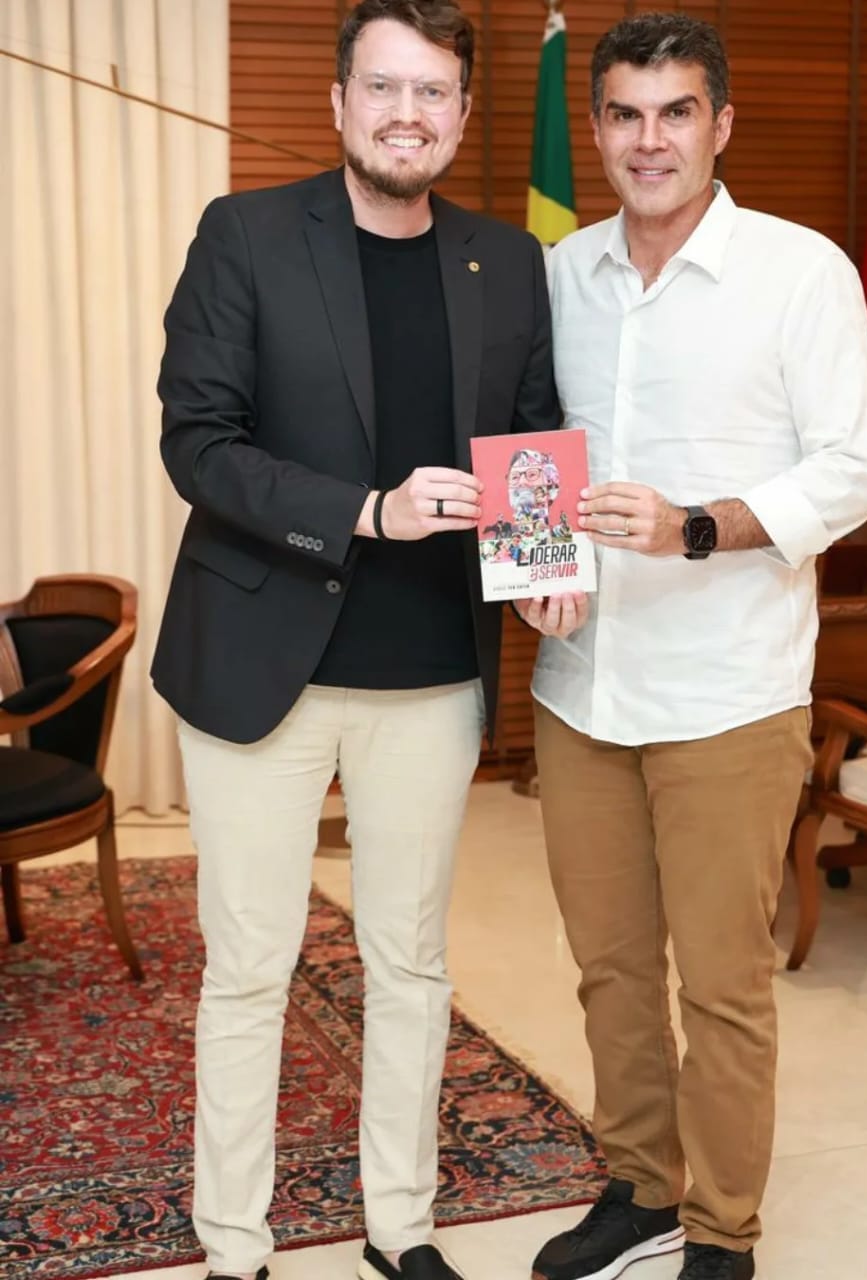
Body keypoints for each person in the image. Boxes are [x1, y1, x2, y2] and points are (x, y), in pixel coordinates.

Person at [151, 3, 583, 1279]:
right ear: (340, 101)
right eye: (383, 87)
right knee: (250, 966)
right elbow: (198, 441)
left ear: (461, 113)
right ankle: (234, 1240)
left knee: (410, 961)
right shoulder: (244, 234)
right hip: (260, 661)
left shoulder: (509, 259)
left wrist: (545, 572)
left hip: (433, 669)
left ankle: (401, 1224)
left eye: (432, 91)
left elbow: (531, 439)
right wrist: (366, 509)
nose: (407, 113)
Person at [529, 14, 867, 1280]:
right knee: (610, 970)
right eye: (625, 114)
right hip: (580, 687)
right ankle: (640, 1185)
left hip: (728, 692)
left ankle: (724, 1230)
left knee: (722, 985)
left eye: (675, 112)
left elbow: (852, 469)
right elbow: (530, 448)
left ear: (720, 124)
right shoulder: (558, 272)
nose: (649, 140)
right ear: (597, 129)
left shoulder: (800, 273)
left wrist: (696, 525)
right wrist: (537, 574)